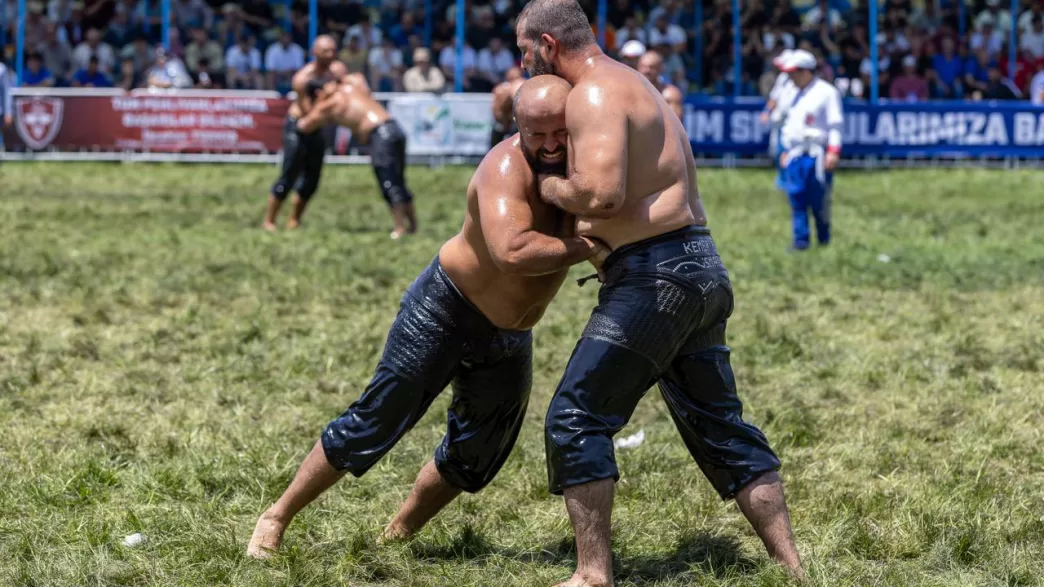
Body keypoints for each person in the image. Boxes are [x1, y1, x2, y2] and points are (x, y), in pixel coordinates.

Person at [246, 75, 606, 559]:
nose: (549, 144)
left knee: (479, 451)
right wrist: (587, 247)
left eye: (559, 132)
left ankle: (398, 533)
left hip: (511, 333)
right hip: (445, 308)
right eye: (537, 134)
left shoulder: (584, 165)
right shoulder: (504, 166)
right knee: (377, 419)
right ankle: (276, 515)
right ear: (518, 128)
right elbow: (513, 251)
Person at [514, 2, 803, 585]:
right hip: (701, 265)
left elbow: (602, 195)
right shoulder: (634, 81)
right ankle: (794, 568)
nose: (523, 65)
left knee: (575, 416)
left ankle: (593, 574)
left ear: (547, 44)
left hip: (654, 277)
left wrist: (547, 184)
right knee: (722, 423)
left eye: (523, 52)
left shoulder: (593, 92)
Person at [294, 73, 418, 239]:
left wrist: (310, 106)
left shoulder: (329, 103)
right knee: (399, 180)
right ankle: (413, 226)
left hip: (380, 135)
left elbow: (304, 125)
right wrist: (338, 81)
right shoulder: (352, 87)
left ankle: (399, 228)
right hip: (395, 129)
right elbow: (358, 76)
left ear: (317, 94)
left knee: (388, 182)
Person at [261, 35, 348, 231]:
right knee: (289, 174)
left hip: (318, 129)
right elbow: (310, 113)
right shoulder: (303, 79)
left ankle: (294, 219)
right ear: (314, 53)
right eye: (326, 51)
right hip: (299, 127)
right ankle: (270, 220)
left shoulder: (338, 72)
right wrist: (330, 96)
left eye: (333, 50)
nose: (331, 55)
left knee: (313, 178)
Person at [777, 49, 843, 251]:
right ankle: (801, 241)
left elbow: (835, 125)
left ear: (806, 72)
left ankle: (824, 238)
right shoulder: (791, 92)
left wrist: (833, 151)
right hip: (796, 153)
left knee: (819, 199)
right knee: (796, 197)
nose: (790, 77)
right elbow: (789, 123)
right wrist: (787, 149)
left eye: (794, 73)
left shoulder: (827, 92)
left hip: (817, 154)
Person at [761, 49, 795, 167]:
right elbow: (774, 97)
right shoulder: (782, 78)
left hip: (793, 122)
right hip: (779, 120)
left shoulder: (802, 80)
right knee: (776, 149)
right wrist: (766, 111)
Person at [635, 50, 684, 121]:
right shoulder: (631, 92)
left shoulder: (669, 95)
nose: (646, 70)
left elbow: (674, 126)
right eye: (643, 66)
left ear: (661, 69)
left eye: (651, 67)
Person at [490, 67, 525, 148]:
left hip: (510, 123)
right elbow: (496, 110)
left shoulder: (501, 89)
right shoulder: (501, 89)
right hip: (504, 122)